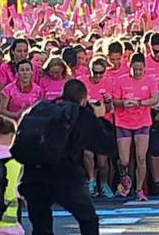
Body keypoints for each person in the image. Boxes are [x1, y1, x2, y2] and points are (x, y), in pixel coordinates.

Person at [17, 79, 99, 235]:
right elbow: (105, 145)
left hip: (33, 176)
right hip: (63, 176)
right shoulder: (79, 114)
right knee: (88, 219)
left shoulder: (40, 108)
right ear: (83, 99)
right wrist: (98, 118)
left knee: (41, 227)